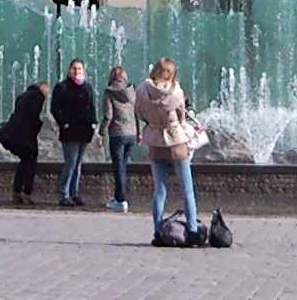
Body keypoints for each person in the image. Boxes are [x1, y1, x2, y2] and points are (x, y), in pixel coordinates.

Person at [134, 57, 204, 237]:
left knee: (160, 190)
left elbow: (139, 114)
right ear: (172, 73)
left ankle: (158, 230)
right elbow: (182, 117)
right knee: (187, 190)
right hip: (175, 142)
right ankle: (192, 229)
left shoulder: (142, 90)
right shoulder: (175, 92)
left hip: (155, 142)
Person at [49, 60, 97, 207]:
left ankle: (74, 193)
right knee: (70, 163)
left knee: (78, 164)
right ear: (70, 70)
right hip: (70, 131)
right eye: (74, 69)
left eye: (80, 69)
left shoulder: (87, 87)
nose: (77, 71)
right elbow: (55, 108)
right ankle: (64, 194)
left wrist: (93, 123)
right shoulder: (62, 87)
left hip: (84, 130)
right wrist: (63, 123)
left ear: (84, 71)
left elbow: (91, 107)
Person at [0, 79, 50, 205]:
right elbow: (33, 113)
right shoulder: (38, 96)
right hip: (23, 135)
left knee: (26, 159)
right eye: (47, 92)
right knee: (31, 159)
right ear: (43, 89)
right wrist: (38, 124)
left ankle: (17, 191)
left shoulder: (24, 96)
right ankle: (26, 192)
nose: (47, 95)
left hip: (9, 134)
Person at [103, 64, 139, 213]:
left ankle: (120, 200)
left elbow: (108, 116)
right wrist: (139, 132)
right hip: (131, 133)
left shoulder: (109, 93)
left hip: (118, 133)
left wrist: (101, 132)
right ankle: (120, 197)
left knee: (118, 168)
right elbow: (137, 113)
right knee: (123, 166)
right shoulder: (132, 92)